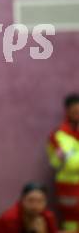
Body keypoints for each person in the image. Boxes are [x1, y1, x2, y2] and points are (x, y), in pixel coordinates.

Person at [47, 93, 79, 232]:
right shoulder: (58, 135)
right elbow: (69, 164)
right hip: (68, 185)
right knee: (71, 221)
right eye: (74, 111)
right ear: (67, 112)